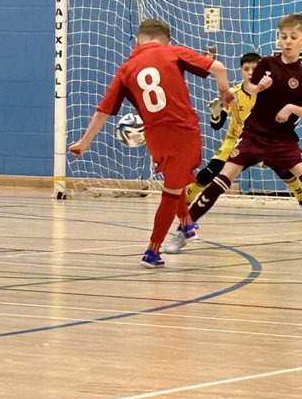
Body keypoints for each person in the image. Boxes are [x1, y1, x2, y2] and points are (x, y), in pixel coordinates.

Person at [68, 18, 233, 267]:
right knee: (172, 191)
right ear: (166, 40)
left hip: (155, 137)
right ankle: (152, 251)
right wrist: (224, 92)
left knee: (175, 179)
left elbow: (103, 111)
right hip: (183, 132)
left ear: (137, 40)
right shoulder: (172, 52)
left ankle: (187, 223)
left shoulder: (126, 68)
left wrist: (84, 142)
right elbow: (218, 67)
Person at [187, 13, 302, 256]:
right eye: (283, 36)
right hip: (253, 136)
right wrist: (257, 87)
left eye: (293, 37)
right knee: (221, 178)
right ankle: (182, 230)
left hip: (283, 141)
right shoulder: (267, 63)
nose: (287, 41)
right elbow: (247, 87)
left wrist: (291, 108)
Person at [184, 49, 302, 221]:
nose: (251, 72)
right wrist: (215, 113)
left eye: (255, 68)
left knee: (284, 169)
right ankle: (187, 197)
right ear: (241, 72)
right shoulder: (233, 93)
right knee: (211, 171)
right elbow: (216, 125)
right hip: (235, 142)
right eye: (246, 69)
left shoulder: (274, 92)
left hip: (265, 139)